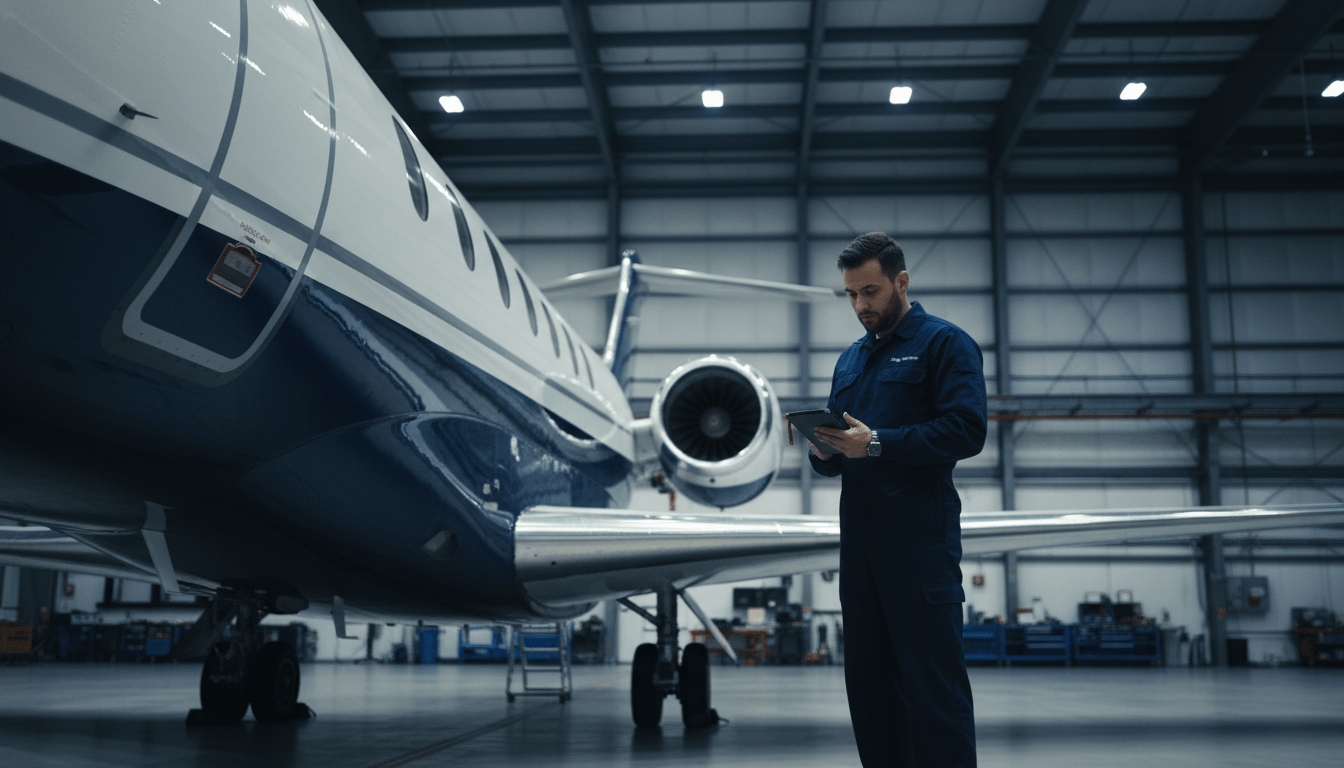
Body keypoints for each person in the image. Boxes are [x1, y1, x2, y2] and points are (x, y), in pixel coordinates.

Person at [808, 231, 986, 768]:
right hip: (860, 551)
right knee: (871, 692)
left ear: (901, 282)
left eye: (871, 291)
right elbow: (848, 450)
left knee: (934, 693)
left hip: (918, 548)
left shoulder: (944, 344)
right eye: (851, 295)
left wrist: (879, 443)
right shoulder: (849, 361)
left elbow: (966, 430)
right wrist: (823, 450)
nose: (861, 305)